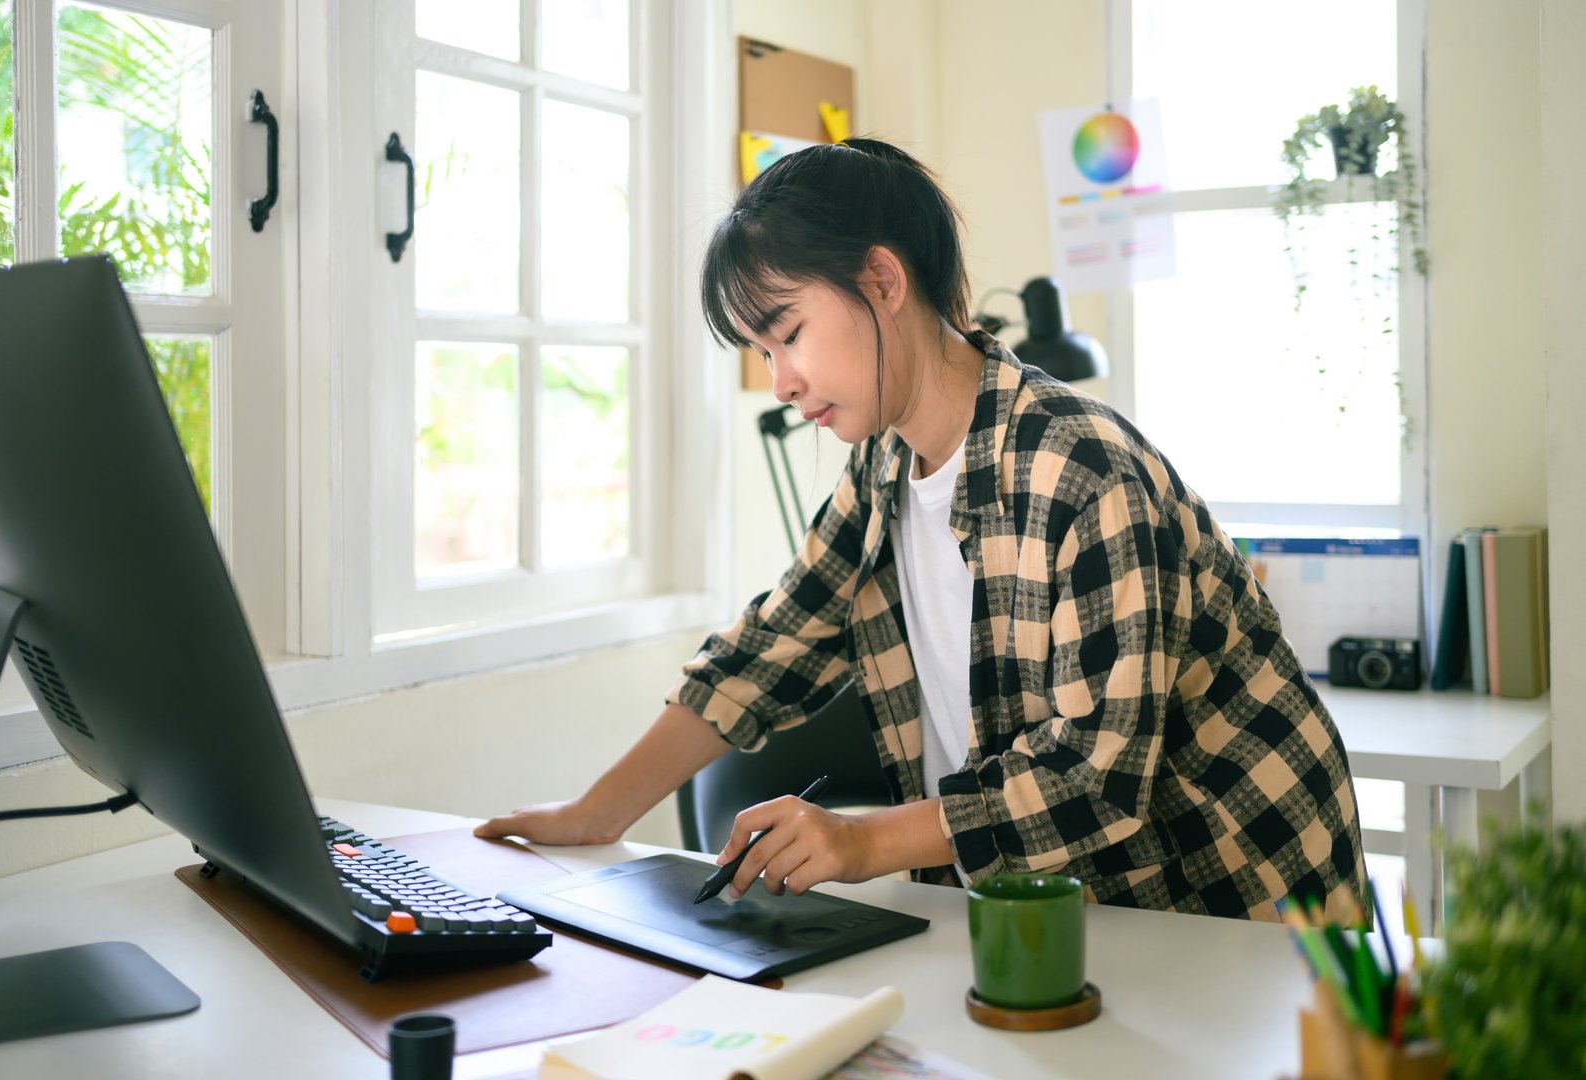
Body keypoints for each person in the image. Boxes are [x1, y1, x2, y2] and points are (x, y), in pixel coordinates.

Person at [475, 137, 1366, 921]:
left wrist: (860, 845)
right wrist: (594, 814)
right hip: (1068, 914)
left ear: (883, 280)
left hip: (1236, 910)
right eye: (761, 352)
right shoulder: (885, 466)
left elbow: (1092, 783)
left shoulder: (1082, 473)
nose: (780, 381)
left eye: (787, 333)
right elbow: (768, 652)